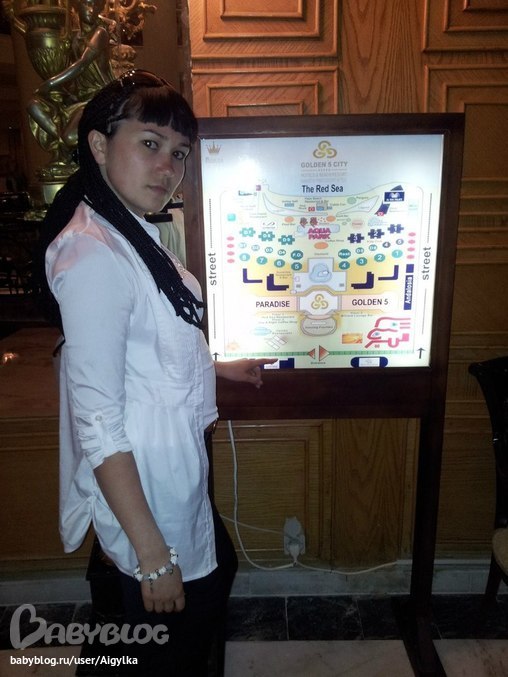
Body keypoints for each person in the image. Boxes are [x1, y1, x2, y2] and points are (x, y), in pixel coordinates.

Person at [38, 69, 275, 676]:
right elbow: (98, 420)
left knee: (173, 621)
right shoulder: (93, 254)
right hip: (146, 488)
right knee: (164, 647)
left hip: (167, 471)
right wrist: (153, 555)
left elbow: (148, 353)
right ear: (99, 145)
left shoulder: (129, 233)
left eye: (179, 153)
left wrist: (219, 369)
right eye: (150, 143)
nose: (168, 166)